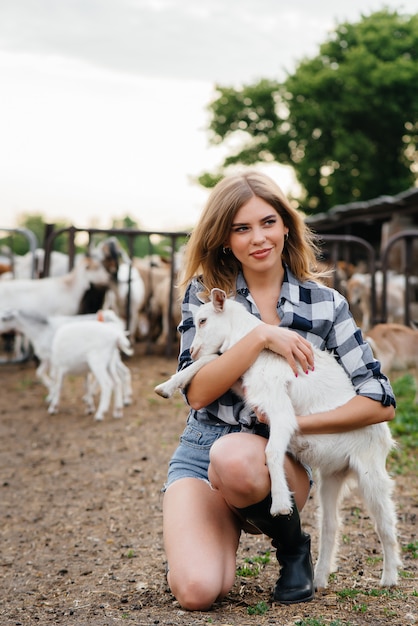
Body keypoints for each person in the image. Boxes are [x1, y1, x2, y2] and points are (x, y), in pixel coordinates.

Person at [162, 170, 396, 611]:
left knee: (235, 458)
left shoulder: (326, 304)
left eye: (268, 222)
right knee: (197, 591)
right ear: (224, 238)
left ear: (286, 224)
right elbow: (196, 393)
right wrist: (262, 336)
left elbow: (380, 401)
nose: (258, 238)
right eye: (241, 228)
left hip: (278, 457)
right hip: (201, 450)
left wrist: (297, 425)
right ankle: (205, 537)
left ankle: (292, 548)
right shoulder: (208, 297)